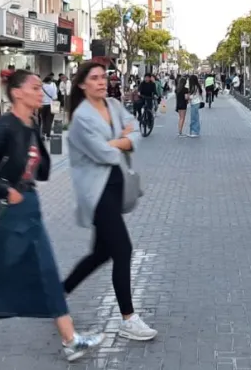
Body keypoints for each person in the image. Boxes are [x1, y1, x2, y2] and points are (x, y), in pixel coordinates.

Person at [0, 69, 103, 364]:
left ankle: (70, 340)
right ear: (17, 92)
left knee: (46, 271)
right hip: (2, 212)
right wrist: (6, 190)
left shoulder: (29, 126)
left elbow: (41, 171)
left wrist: (36, 137)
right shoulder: (3, 127)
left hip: (28, 208)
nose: (40, 92)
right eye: (34, 87)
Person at [63, 62, 158, 342]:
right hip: (96, 193)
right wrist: (122, 140)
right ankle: (128, 319)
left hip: (116, 186)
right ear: (82, 84)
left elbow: (136, 133)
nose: (101, 82)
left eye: (103, 77)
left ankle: (57, 294)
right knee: (123, 250)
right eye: (94, 78)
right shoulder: (80, 118)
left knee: (101, 253)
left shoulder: (114, 105)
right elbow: (104, 154)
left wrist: (121, 140)